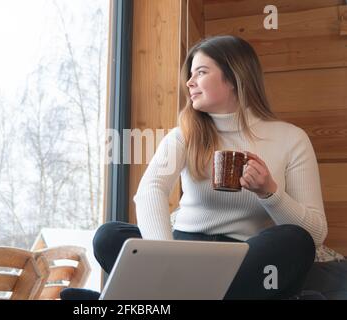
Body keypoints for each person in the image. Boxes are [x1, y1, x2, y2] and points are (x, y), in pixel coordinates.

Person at [61, 35, 327, 300]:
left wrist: (270, 193)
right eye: (190, 74)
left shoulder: (291, 138)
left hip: (242, 259)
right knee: (109, 236)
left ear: (235, 78)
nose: (189, 82)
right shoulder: (184, 134)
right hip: (182, 250)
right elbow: (150, 191)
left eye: (201, 72)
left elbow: (315, 234)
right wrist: (166, 257)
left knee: (296, 241)